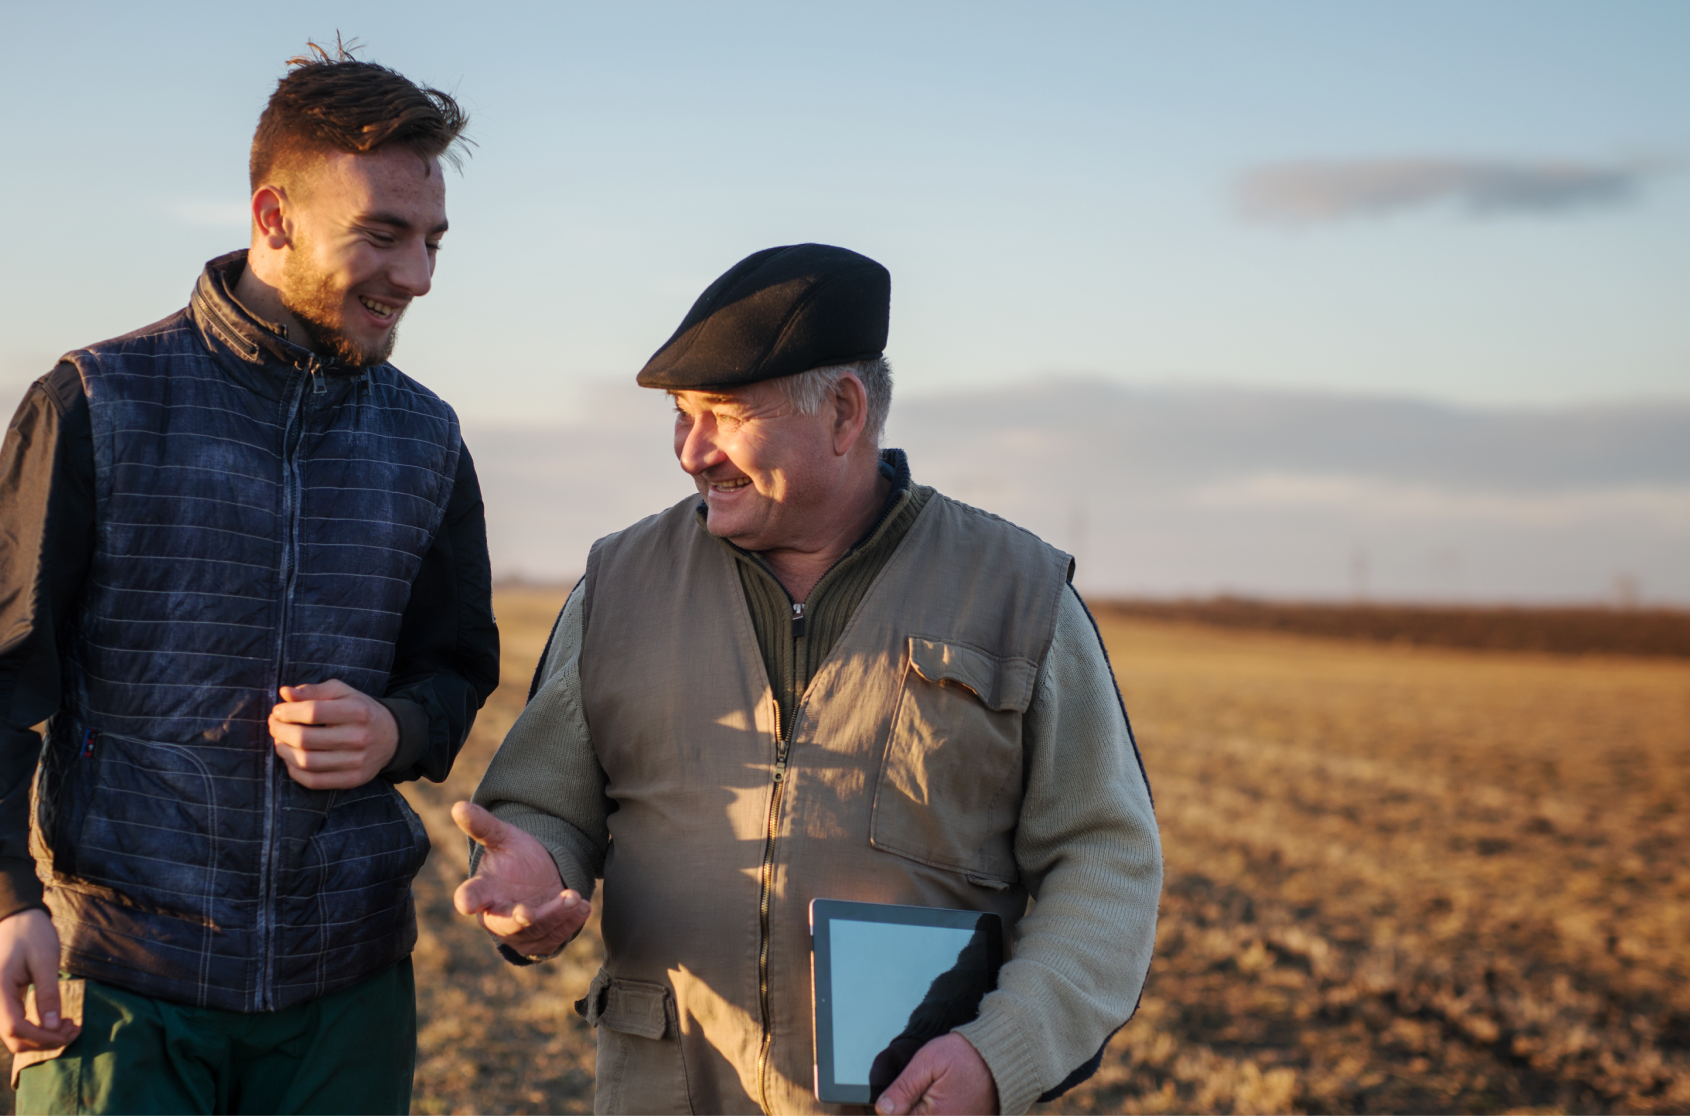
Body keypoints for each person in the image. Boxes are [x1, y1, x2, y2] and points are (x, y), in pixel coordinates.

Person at [451, 244, 1162, 1116]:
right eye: (681, 415)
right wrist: (537, 868)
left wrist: (1000, 1052)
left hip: (906, 1098)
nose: (692, 452)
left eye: (724, 415)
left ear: (844, 413)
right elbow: (543, 806)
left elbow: (1106, 859)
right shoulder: (618, 583)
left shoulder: (1018, 593)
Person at [0, 47, 497, 1115]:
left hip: (349, 993)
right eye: (383, 235)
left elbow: (459, 670)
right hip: (122, 986)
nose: (418, 276)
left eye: (433, 241)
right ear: (274, 218)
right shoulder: (95, 402)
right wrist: (7, 902)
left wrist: (397, 729)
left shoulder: (429, 439)